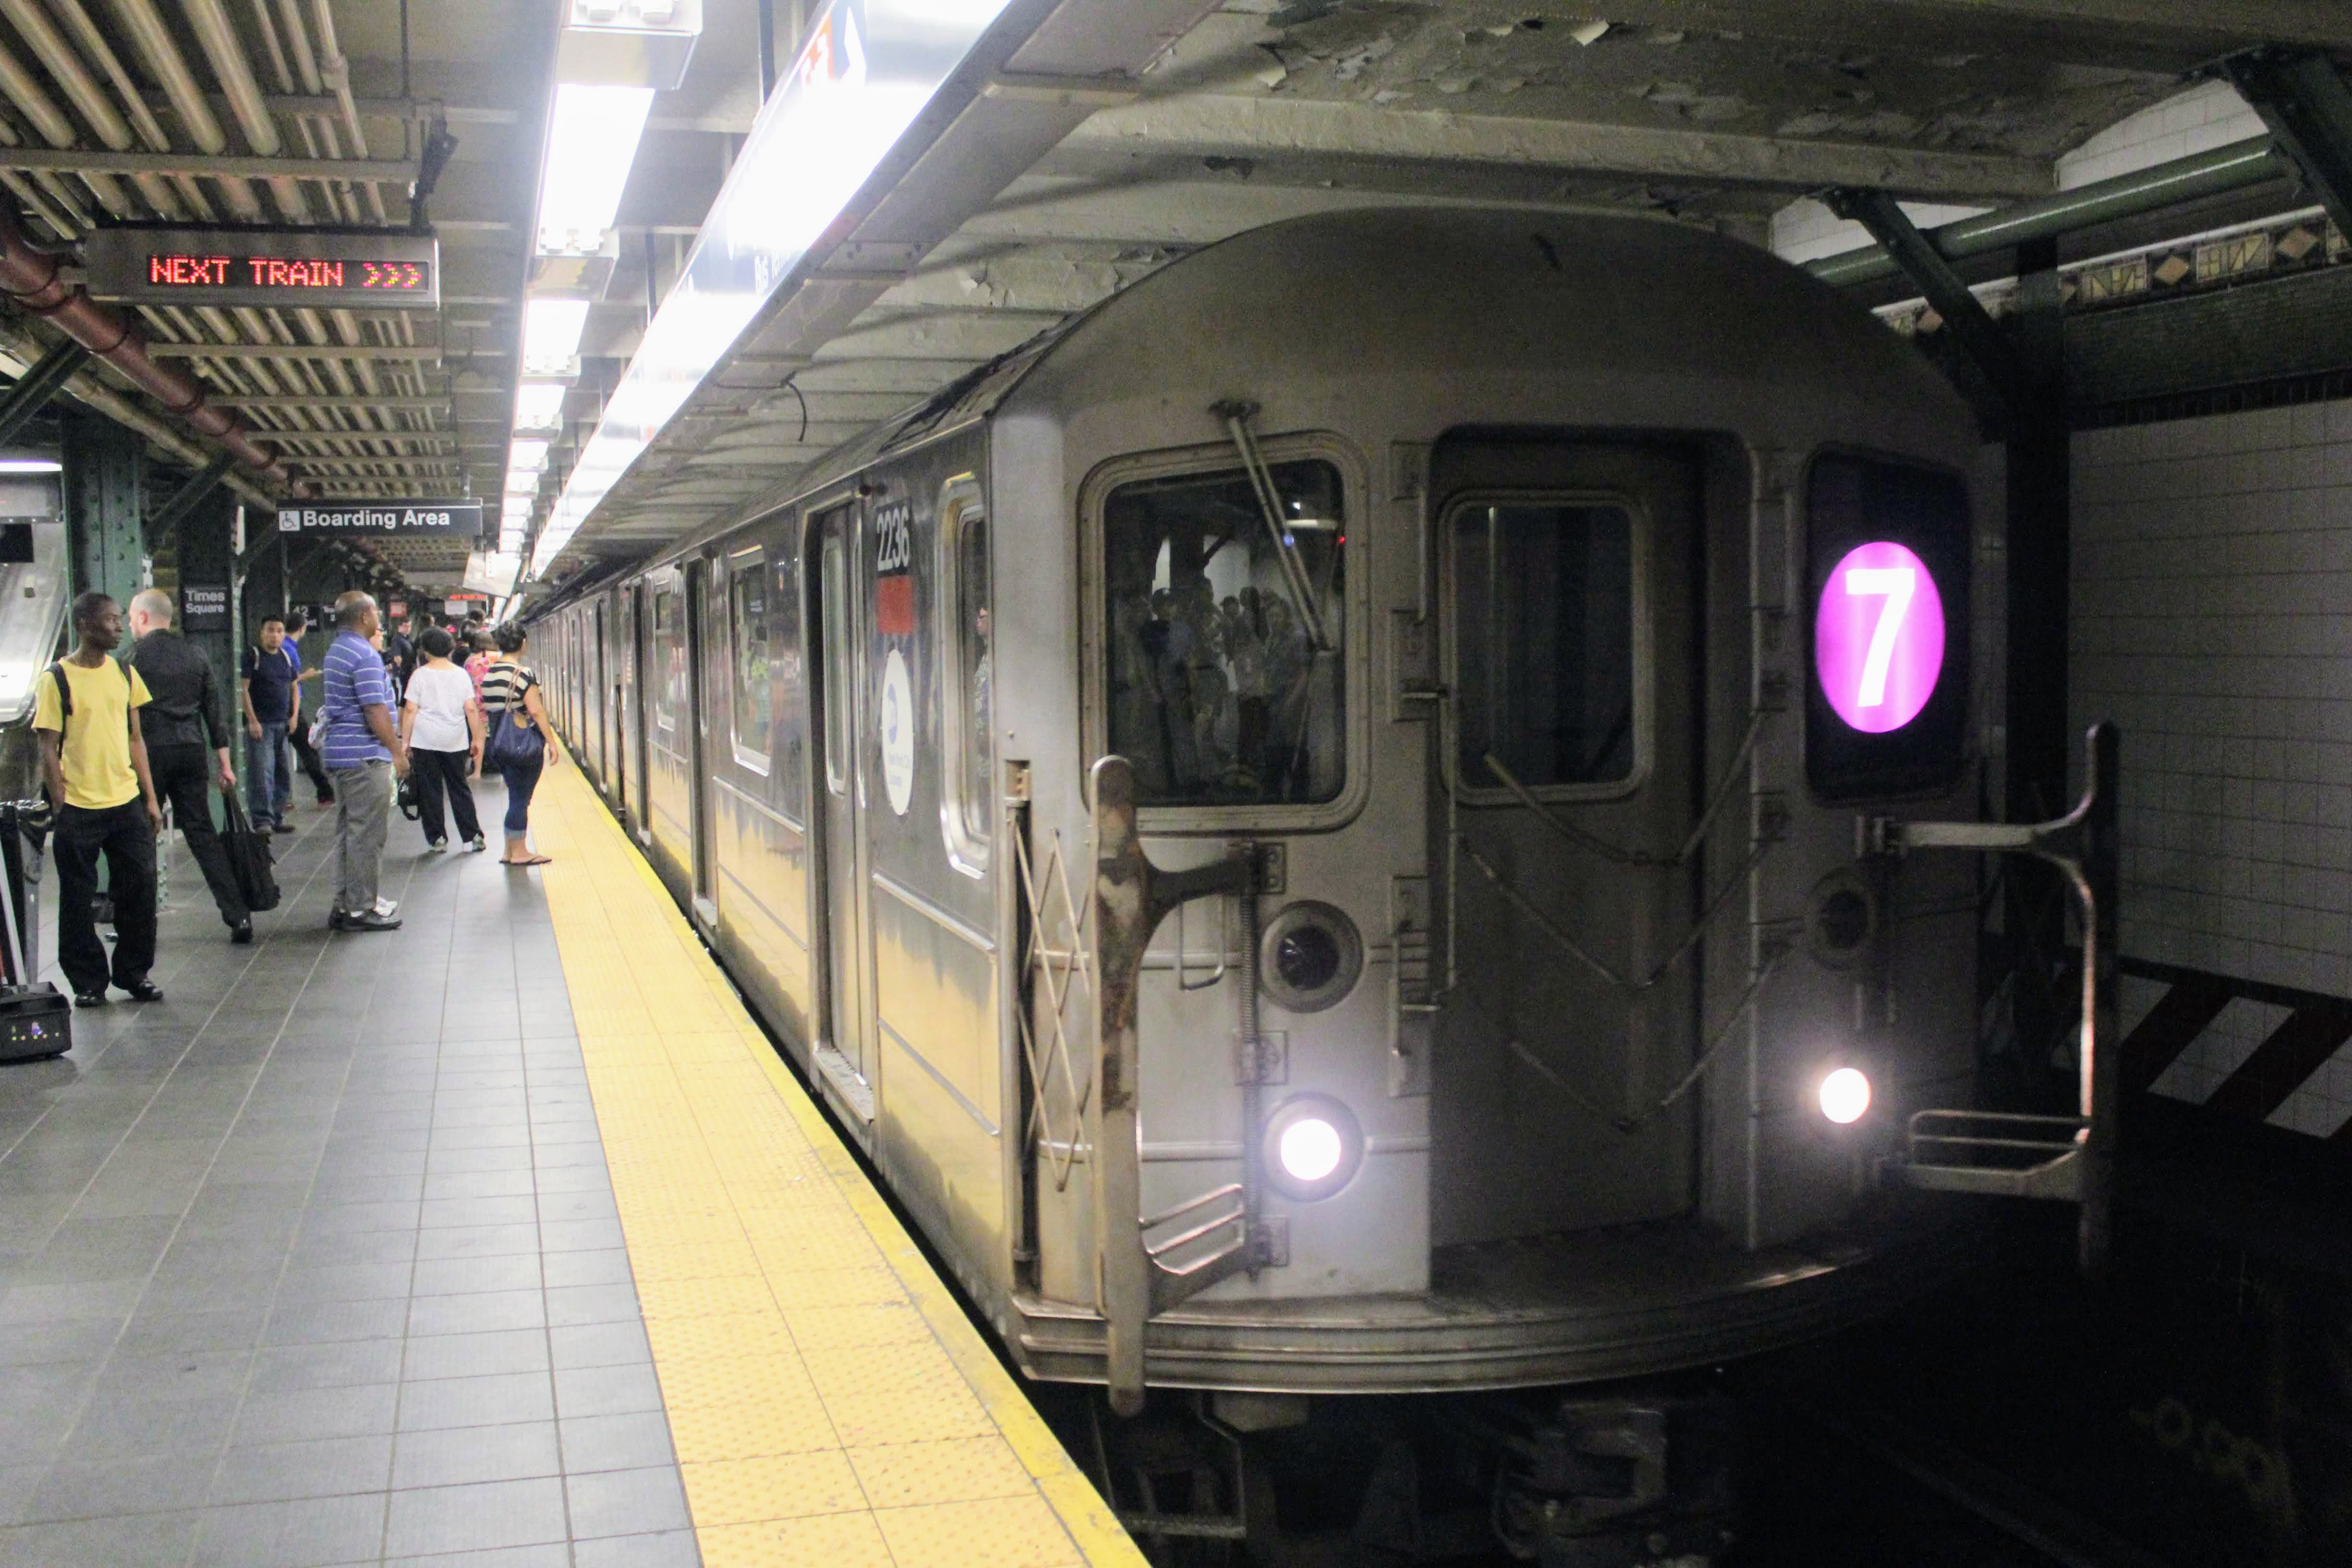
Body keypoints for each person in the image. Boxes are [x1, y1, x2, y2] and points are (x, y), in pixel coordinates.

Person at [33, 592, 164, 1006]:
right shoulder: (56, 679)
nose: (119, 627)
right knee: (77, 898)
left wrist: (150, 797)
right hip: (79, 807)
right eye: (110, 620)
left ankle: (134, 972)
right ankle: (88, 981)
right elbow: (47, 747)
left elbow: (136, 739)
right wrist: (61, 802)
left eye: (119, 619)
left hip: (124, 801)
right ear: (85, 625)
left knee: (140, 887)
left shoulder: (125, 673)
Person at [125, 589, 252, 945]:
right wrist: (225, 763)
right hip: (191, 751)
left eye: (132, 617)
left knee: (141, 835)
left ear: (144, 617)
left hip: (150, 754)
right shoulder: (196, 654)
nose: (129, 624)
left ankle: (137, 922)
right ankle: (238, 915)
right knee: (202, 834)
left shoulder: (132, 658)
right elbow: (214, 711)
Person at [319, 591, 409, 931]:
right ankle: (360, 908)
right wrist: (397, 753)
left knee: (350, 833)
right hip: (365, 757)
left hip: (343, 755)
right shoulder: (365, 655)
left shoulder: (337, 649)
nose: (379, 618)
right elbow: (375, 709)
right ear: (364, 617)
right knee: (367, 836)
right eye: (375, 612)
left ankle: (344, 903)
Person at [400, 628, 485, 852]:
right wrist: (477, 738)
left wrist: (405, 741)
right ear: (449, 649)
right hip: (454, 739)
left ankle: (438, 839)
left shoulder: (419, 675)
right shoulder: (460, 674)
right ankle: (474, 835)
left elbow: (410, 710)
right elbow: (471, 709)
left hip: (425, 740)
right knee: (459, 787)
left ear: (426, 651)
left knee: (430, 789)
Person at [481, 622, 559, 866]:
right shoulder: (523, 674)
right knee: (520, 799)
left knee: (515, 794)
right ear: (523, 643)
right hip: (522, 745)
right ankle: (520, 853)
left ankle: (510, 850)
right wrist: (552, 742)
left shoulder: (490, 674)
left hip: (500, 743)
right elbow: (536, 710)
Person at [240, 612, 300, 834]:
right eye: (271, 631)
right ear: (262, 633)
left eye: (280, 631)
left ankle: (277, 816)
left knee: (282, 774)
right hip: (262, 725)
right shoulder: (253, 656)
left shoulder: (285, 657)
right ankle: (262, 820)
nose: (275, 635)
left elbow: (294, 687)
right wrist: (252, 720)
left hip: (282, 724)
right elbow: (244, 689)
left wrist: (294, 716)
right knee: (262, 773)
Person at [282, 610, 333, 809]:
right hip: (290, 705)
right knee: (307, 746)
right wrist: (306, 676)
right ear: (302, 628)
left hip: (285, 704)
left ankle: (283, 798)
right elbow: (290, 680)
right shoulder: (290, 649)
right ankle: (325, 791)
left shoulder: (284, 647)